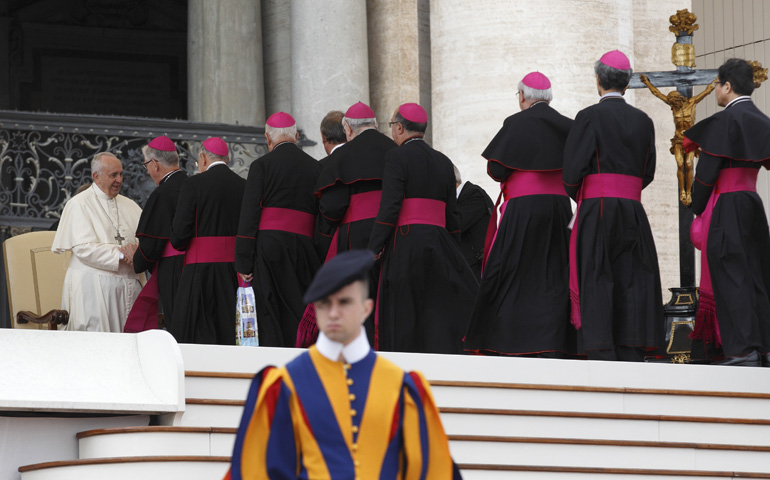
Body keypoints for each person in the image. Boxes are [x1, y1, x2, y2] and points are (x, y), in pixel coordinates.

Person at [224, 249, 459, 480]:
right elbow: (257, 472)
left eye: (344, 302)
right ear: (315, 308)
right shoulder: (284, 386)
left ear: (366, 308)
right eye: (325, 303)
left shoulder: (402, 387)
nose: (334, 313)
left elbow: (432, 472)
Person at [562, 50, 663, 361]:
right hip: (633, 210)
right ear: (628, 82)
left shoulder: (588, 117)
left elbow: (570, 174)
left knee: (597, 274)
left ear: (598, 81)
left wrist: (591, 191)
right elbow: (648, 171)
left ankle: (600, 348)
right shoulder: (643, 120)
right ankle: (631, 348)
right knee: (633, 277)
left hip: (597, 209)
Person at [464, 72, 574, 357]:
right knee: (553, 272)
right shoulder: (568, 125)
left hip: (523, 210)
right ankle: (554, 342)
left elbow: (497, 169)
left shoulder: (515, 123)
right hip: (559, 210)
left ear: (523, 96)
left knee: (512, 269)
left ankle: (508, 340)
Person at [367, 103, 478, 354]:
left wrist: (374, 247)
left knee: (406, 309)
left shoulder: (396, 157)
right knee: (436, 308)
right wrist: (453, 248)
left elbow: (390, 207)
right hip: (440, 242)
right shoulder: (443, 160)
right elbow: (452, 214)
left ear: (398, 127)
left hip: (406, 242)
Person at [684, 58, 770, 367]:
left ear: (728, 86)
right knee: (757, 275)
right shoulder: (763, 121)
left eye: (717, 85)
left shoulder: (723, 122)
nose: (715, 91)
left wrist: (696, 205)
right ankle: (763, 347)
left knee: (731, 275)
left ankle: (742, 349)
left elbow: (706, 174)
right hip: (752, 203)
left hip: (728, 206)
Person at [310, 101, 397, 345]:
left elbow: (332, 207)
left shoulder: (344, 155)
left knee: (358, 296)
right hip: (392, 232)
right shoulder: (394, 149)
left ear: (347, 128)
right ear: (376, 125)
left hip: (355, 236)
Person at [235, 112, 321, 347]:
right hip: (304, 247)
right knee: (299, 304)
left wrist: (244, 262)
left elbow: (249, 214)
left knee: (269, 307)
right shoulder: (315, 167)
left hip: (269, 247)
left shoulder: (261, 165)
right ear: (296, 135)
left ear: (267, 138)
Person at [52, 152, 143, 332]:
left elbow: (143, 240)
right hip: (93, 290)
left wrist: (136, 251)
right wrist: (121, 253)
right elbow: (83, 248)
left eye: (121, 174)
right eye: (113, 175)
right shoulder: (79, 204)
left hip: (129, 289)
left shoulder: (130, 205)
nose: (119, 180)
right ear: (96, 176)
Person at [171, 137, 245, 344]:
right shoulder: (243, 185)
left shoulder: (193, 184)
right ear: (228, 159)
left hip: (199, 273)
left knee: (196, 335)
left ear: (202, 158)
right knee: (230, 331)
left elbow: (179, 235)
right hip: (233, 273)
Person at [124, 136, 188, 333]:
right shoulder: (192, 186)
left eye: (146, 165)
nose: (148, 170)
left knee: (177, 322)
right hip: (195, 268)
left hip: (174, 270)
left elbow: (152, 244)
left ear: (155, 164)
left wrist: (136, 259)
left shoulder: (163, 193)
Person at [639, 73, 717, 206]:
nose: (672, 104)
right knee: (680, 164)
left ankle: (689, 191)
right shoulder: (674, 107)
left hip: (690, 140)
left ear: (678, 99)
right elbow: (657, 93)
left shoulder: (691, 103)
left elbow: (707, 91)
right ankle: (682, 191)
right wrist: (646, 82)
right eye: (671, 102)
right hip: (677, 140)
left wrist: (717, 78)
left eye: (673, 101)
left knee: (688, 164)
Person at [453, 164, 493, 280]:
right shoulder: (464, 196)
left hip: (478, 269)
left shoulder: (472, 194)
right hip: (470, 268)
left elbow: (456, 225)